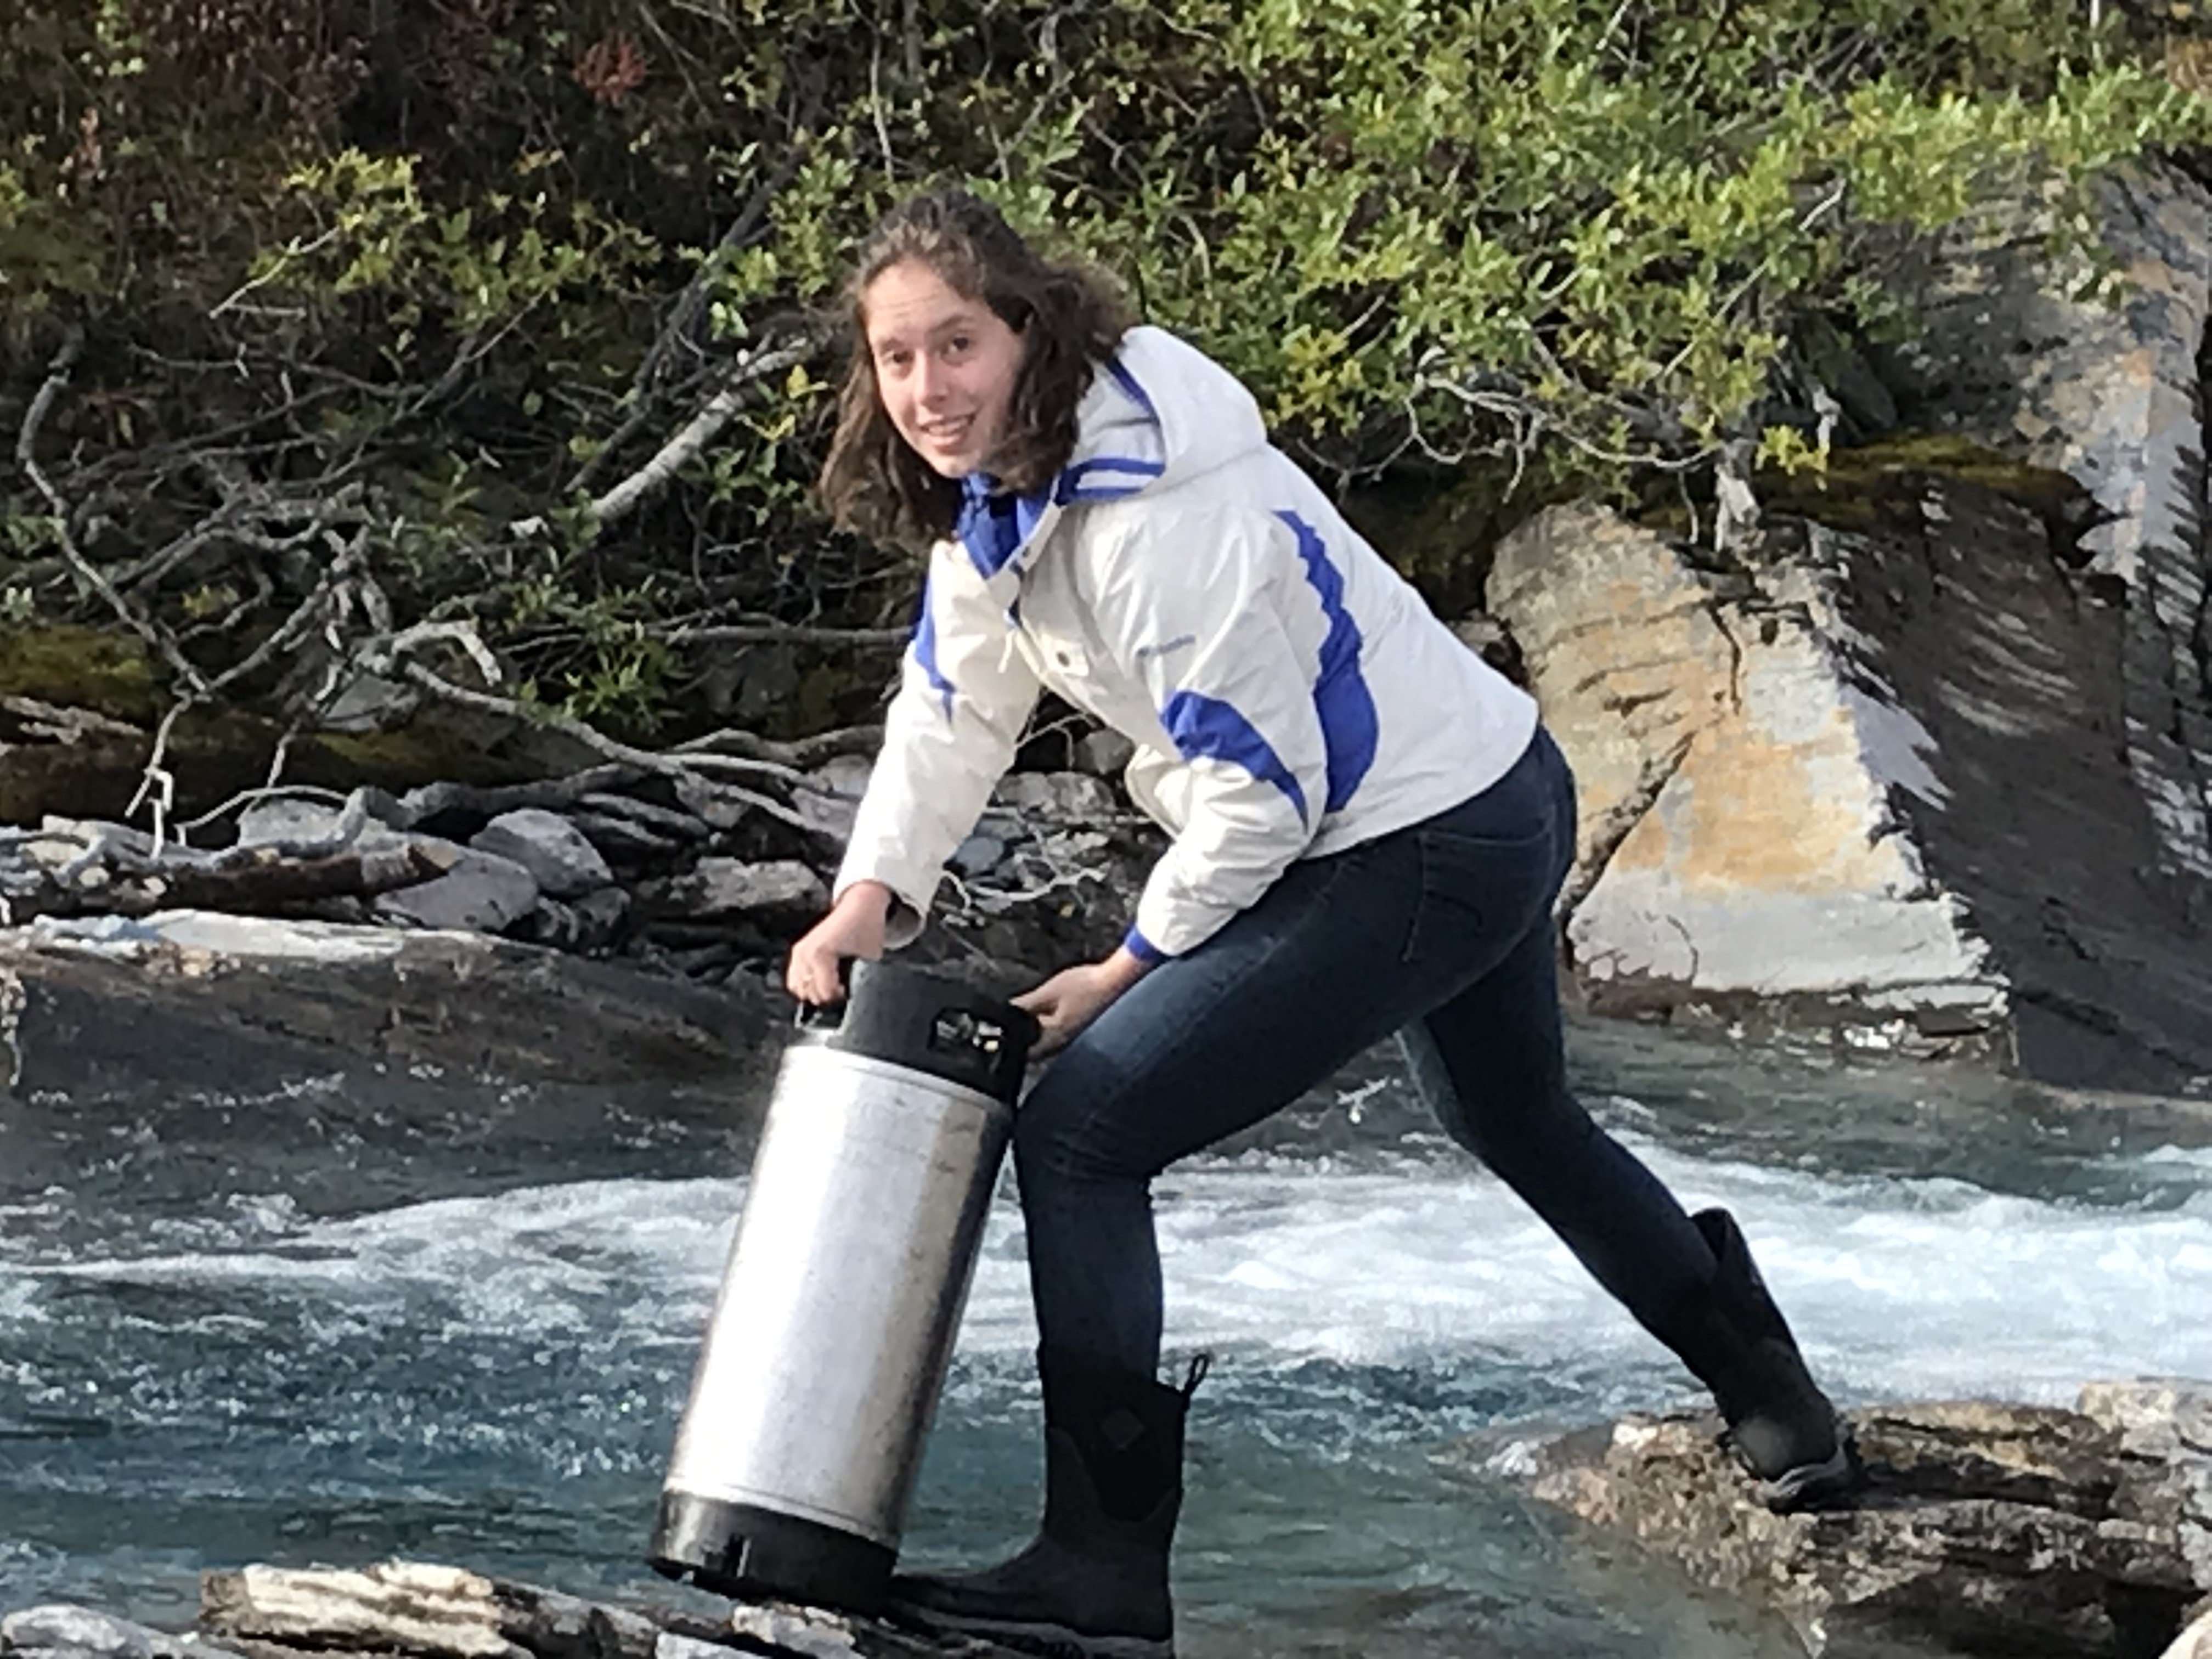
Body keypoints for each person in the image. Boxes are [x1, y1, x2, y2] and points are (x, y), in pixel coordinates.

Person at [787, 185, 1862, 1659]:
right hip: (1484, 783)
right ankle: (1776, 1397)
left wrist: (1121, 969)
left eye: (955, 346)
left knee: (1084, 1133)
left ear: (1028, 333)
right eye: (896, 360)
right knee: (1517, 1120)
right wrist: (868, 899)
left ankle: (1100, 1573)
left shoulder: (1164, 520)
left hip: (1422, 836)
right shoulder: (1011, 500)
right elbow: (952, 709)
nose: (926, 389)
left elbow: (1263, 802)